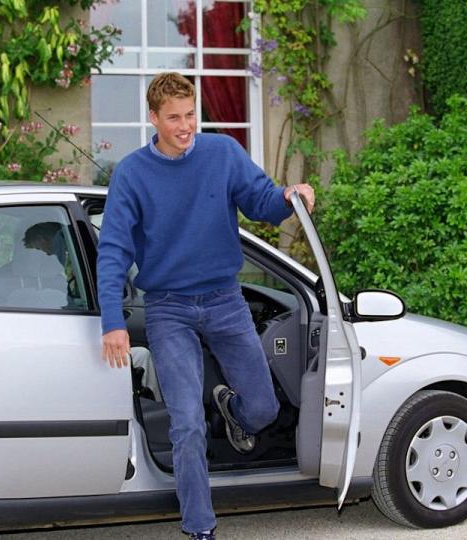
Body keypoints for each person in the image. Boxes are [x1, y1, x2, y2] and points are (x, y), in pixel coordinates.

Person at [96, 72, 314, 540]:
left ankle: (233, 410)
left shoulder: (222, 154)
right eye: (174, 117)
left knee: (264, 409)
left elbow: (261, 202)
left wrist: (290, 198)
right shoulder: (132, 175)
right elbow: (114, 250)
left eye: (191, 114)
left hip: (225, 300)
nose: (185, 125)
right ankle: (199, 528)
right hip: (168, 309)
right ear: (152, 118)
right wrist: (113, 320)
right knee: (188, 424)